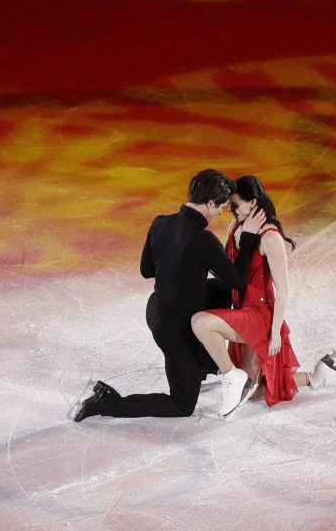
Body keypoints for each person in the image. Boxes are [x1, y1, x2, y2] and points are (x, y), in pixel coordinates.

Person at [70, 169, 249, 421]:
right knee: (182, 406)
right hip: (174, 330)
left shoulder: (160, 222)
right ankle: (108, 403)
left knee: (218, 290)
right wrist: (249, 242)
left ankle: (203, 365)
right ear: (210, 203)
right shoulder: (203, 239)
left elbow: (146, 270)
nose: (222, 212)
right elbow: (237, 280)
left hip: (156, 310)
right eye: (221, 206)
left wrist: (179, 266)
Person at [191, 174, 336, 416]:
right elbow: (230, 273)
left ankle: (316, 376)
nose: (231, 210)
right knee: (254, 391)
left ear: (252, 203)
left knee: (202, 323)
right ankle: (318, 375)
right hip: (241, 311)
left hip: (260, 316)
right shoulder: (235, 226)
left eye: (236, 205)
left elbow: (283, 290)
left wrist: (276, 332)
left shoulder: (270, 237)